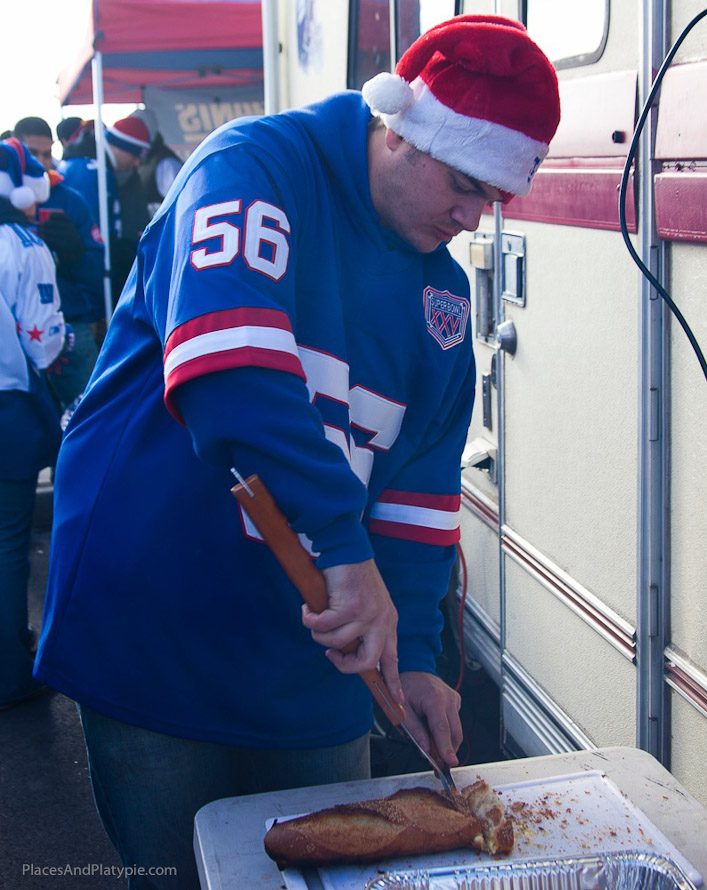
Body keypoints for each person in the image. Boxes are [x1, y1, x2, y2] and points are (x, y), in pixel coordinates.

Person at [35, 15, 560, 889]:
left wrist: (417, 657)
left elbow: (420, 495)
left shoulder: (440, 297)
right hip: (158, 619)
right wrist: (345, 550)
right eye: (465, 184)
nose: (473, 218)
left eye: (494, 199)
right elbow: (230, 377)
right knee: (175, 874)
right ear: (401, 131)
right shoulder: (254, 167)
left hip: (313, 657)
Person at [0, 140, 66, 709]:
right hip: (9, 409)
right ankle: (9, 673)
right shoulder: (23, 245)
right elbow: (44, 344)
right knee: (7, 542)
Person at [14, 117, 105, 405]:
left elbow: (96, 266)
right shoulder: (5, 199)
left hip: (70, 323)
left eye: (46, 153)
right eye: (32, 153)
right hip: (14, 332)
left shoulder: (70, 199)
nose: (41, 162)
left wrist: (74, 255)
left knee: (89, 412)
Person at [60, 116, 151, 304]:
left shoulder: (92, 166)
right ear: (120, 146)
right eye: (134, 155)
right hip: (85, 285)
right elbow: (94, 233)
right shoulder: (93, 172)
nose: (136, 163)